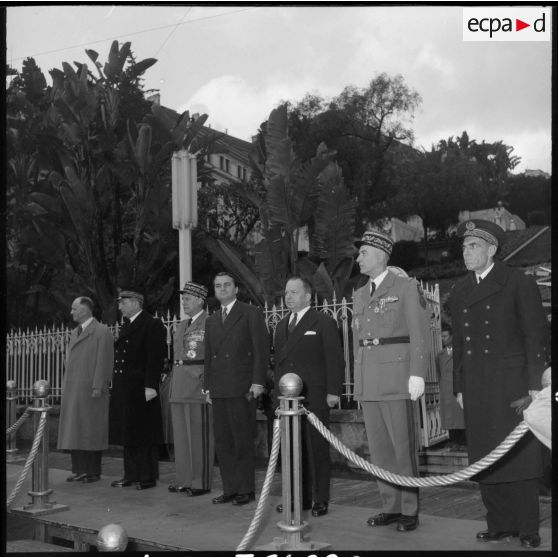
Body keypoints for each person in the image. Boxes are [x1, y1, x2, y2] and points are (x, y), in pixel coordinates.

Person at [449, 219, 549, 549]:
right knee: (485, 454)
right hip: (476, 382)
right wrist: (459, 386)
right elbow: (459, 343)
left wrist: (535, 383)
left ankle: (527, 527)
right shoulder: (461, 289)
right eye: (464, 246)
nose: (466, 251)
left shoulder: (518, 282)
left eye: (473, 245)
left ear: (492, 249)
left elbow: (536, 335)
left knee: (519, 454)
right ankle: (498, 523)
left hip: (512, 383)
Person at [352, 230, 428, 532]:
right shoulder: (359, 293)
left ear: (381, 255)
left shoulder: (406, 287)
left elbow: (419, 331)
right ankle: (390, 506)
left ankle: (409, 509)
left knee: (402, 447)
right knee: (380, 450)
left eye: (363, 253)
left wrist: (417, 373)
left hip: (397, 376)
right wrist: (358, 380)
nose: (358, 258)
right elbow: (360, 339)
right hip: (369, 377)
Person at [273, 277, 345, 517]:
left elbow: (335, 359)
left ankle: (319, 499)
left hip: (315, 396)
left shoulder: (323, 322)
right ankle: (297, 498)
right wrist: (277, 397)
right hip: (289, 399)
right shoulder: (281, 325)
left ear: (307, 296)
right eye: (286, 293)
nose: (289, 297)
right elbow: (279, 367)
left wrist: (334, 391)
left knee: (316, 451)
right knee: (293, 450)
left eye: (294, 292)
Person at [204, 272, 270, 506]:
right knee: (223, 441)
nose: (222, 289)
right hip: (219, 388)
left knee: (242, 439)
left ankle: (246, 489)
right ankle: (230, 488)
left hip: (243, 387)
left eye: (226, 285)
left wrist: (258, 382)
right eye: (218, 285)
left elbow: (261, 350)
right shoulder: (211, 320)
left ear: (236, 289)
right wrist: (207, 388)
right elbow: (209, 357)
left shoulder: (250, 313)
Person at [109, 290, 167, 490]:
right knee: (128, 433)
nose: (120, 307)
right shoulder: (127, 325)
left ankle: (147, 477)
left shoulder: (152, 324)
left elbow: (155, 357)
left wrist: (151, 385)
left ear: (135, 302)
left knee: (144, 434)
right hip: (126, 388)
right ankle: (131, 474)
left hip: (141, 387)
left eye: (122, 303)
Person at [58, 297, 114, 483]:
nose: (71, 312)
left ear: (85, 310)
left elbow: (104, 360)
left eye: (74, 309)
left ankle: (92, 471)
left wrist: (99, 386)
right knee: (75, 430)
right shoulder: (75, 332)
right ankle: (79, 469)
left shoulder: (101, 331)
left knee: (91, 431)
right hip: (74, 389)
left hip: (91, 389)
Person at [168, 281, 214, 496]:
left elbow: (210, 358)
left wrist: (207, 385)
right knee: (181, 436)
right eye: (183, 298)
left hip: (197, 385)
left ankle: (200, 482)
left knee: (198, 437)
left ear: (199, 300)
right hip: (178, 385)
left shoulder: (210, 322)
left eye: (187, 298)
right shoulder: (182, 325)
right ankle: (184, 478)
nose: (184, 302)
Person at [436, 324, 466, 450]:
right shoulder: (440, 355)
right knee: (449, 417)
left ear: (452, 336)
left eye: (445, 336)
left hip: (457, 389)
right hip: (446, 390)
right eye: (441, 336)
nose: (443, 339)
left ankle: (463, 442)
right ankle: (454, 442)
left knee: (460, 416)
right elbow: (439, 373)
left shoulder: (460, 352)